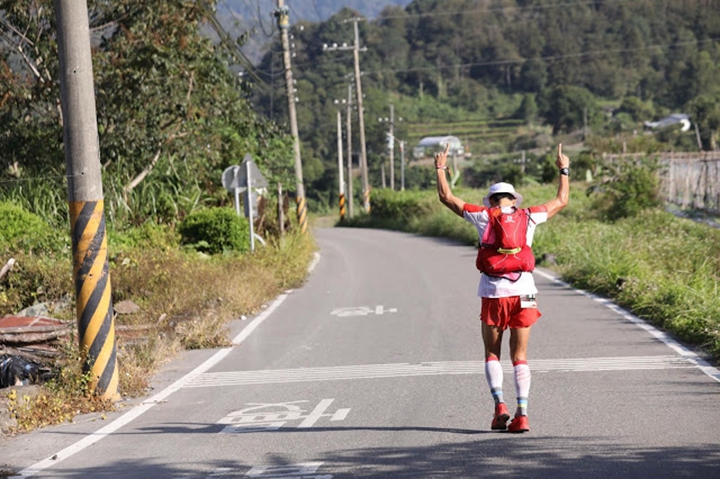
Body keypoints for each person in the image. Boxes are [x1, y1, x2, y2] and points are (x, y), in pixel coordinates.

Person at [434, 143, 570, 433]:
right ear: (513, 199)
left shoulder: (483, 215)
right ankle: (523, 414)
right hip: (526, 292)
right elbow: (561, 200)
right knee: (520, 356)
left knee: (492, 353)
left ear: (493, 200)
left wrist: (440, 168)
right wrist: (564, 169)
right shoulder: (529, 215)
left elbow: (446, 197)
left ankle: (500, 407)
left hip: (493, 292)